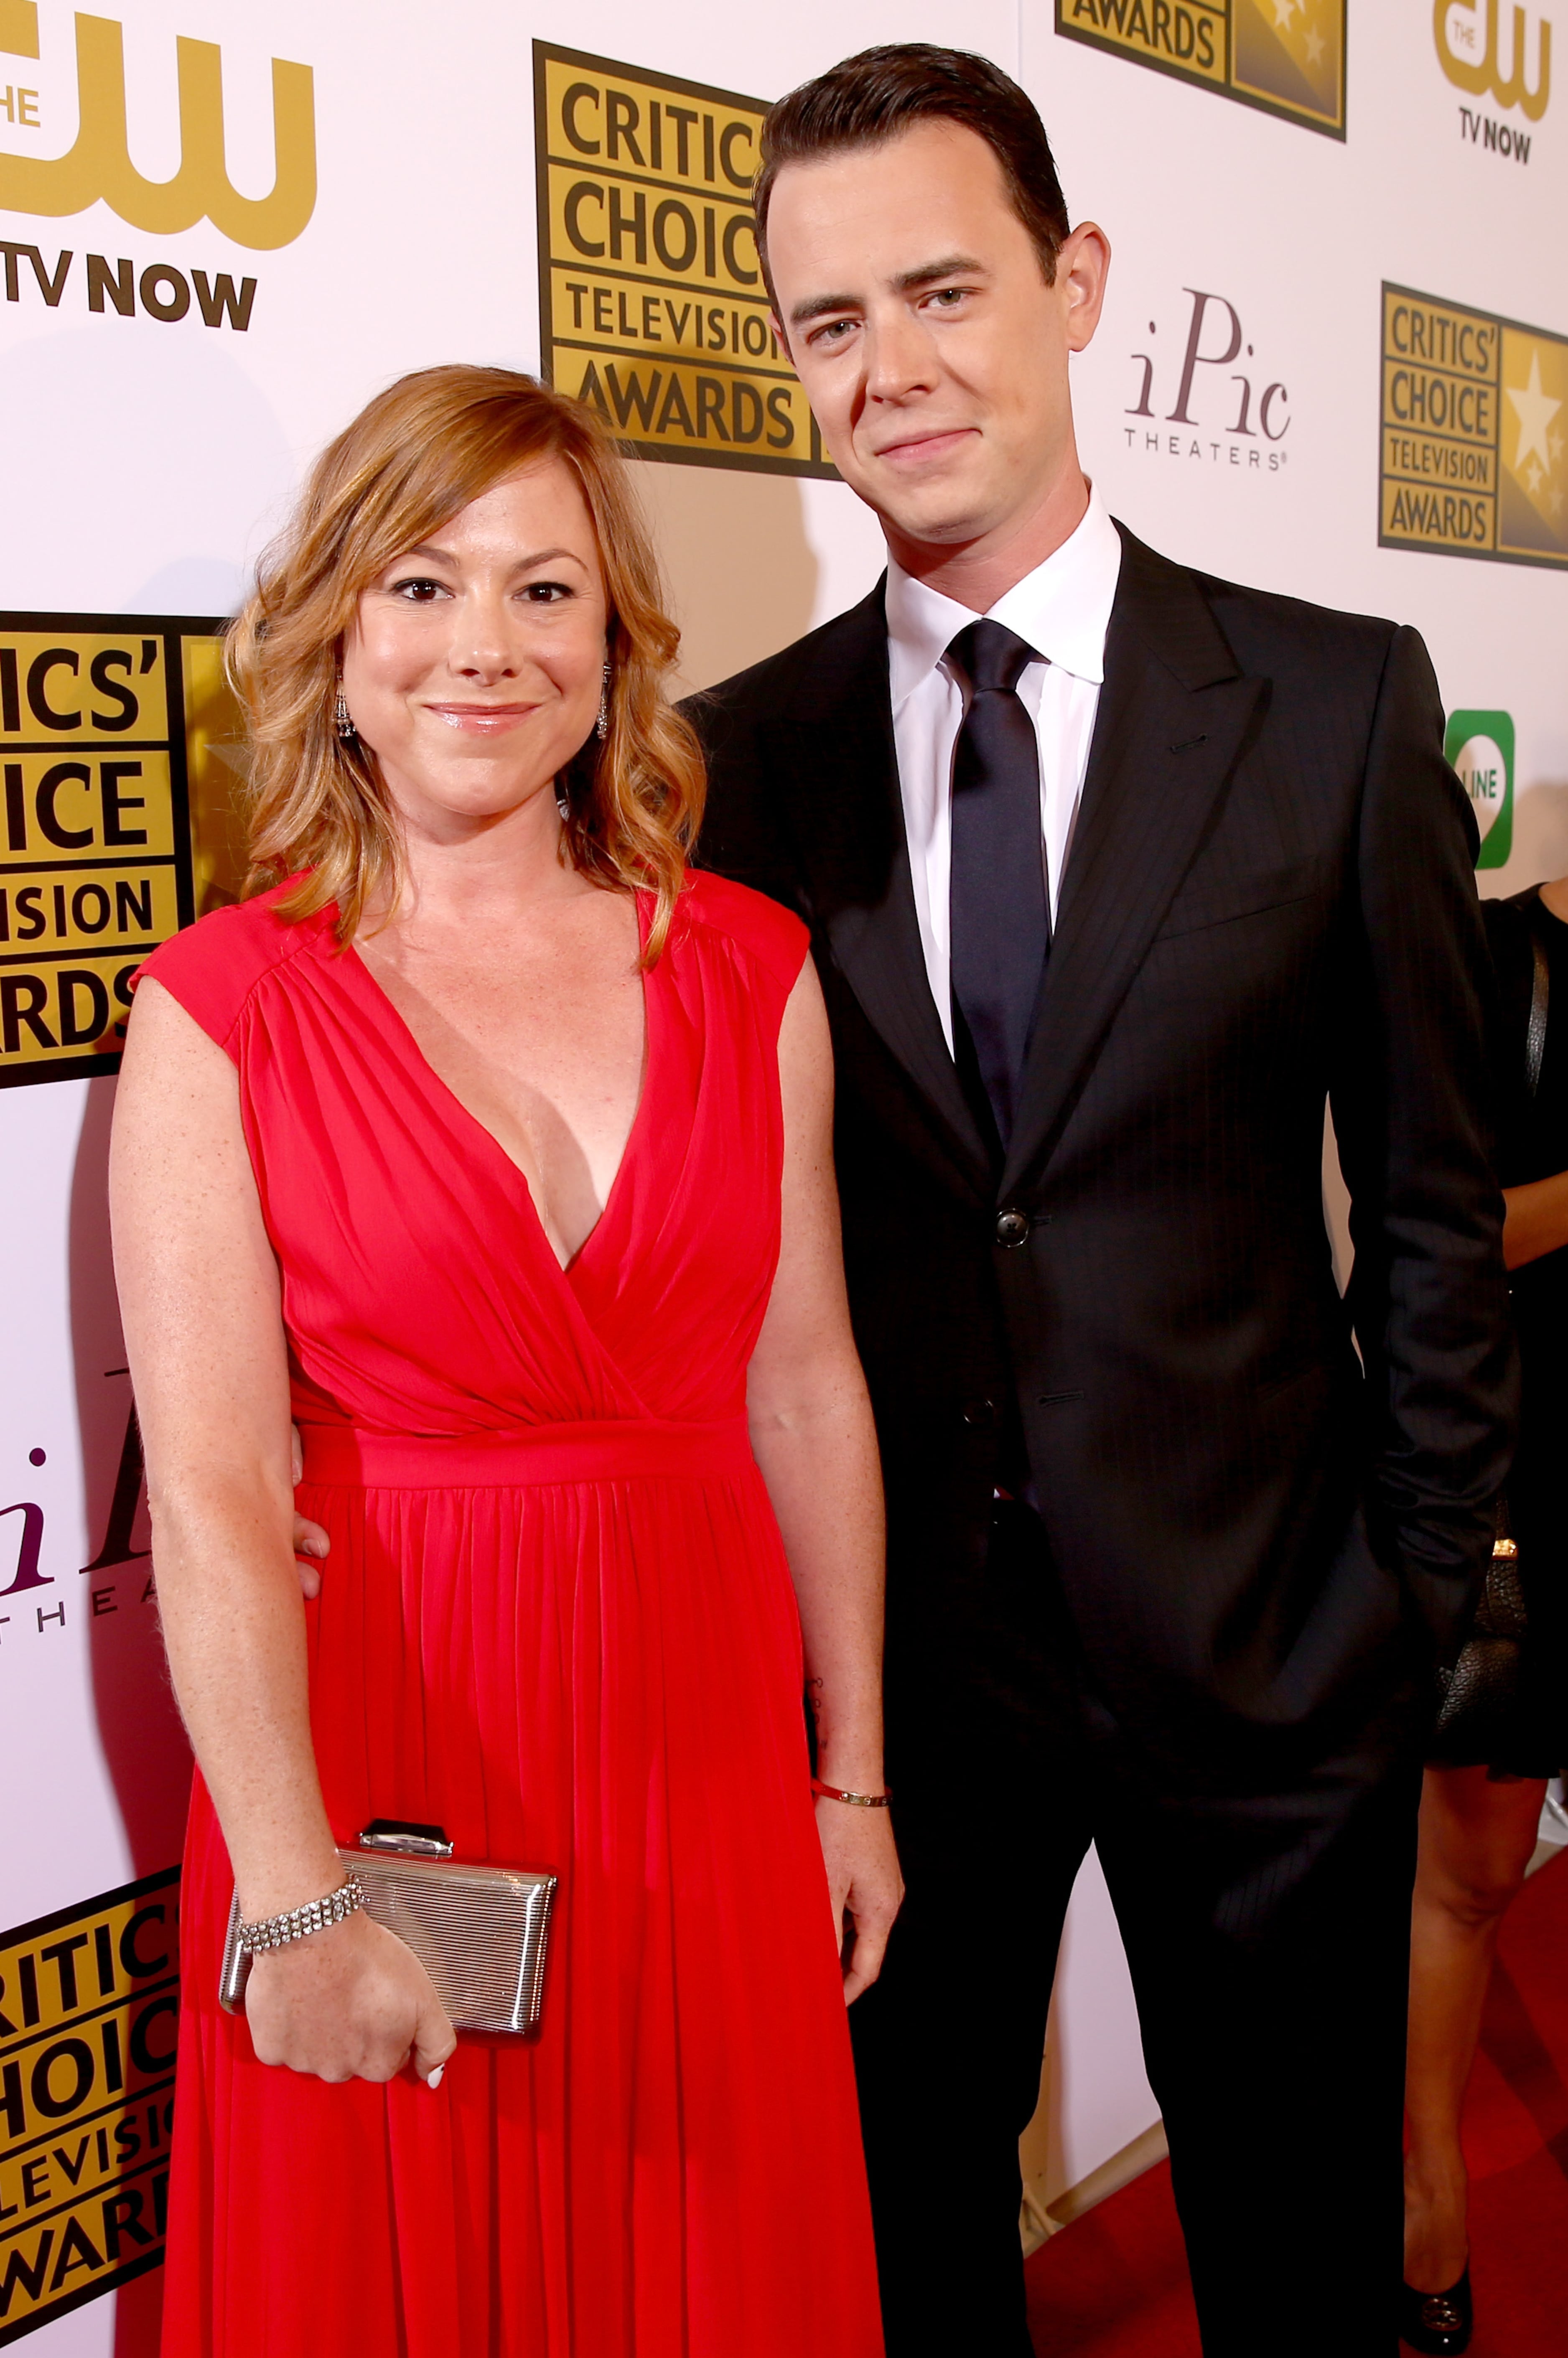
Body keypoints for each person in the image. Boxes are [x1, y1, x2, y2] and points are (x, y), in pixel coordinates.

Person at [689, 43, 1517, 2358]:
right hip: (896, 1698)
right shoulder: (732, 767)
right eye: (831, 320)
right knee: (906, 2251)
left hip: (1272, 1662)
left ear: (1077, 287)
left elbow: (1436, 1202)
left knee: (1292, 2259)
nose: (893, 368)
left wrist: (1412, 1592)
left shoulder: (1337, 707)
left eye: (944, 290)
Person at [108, 364, 899, 2358]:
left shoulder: (751, 963)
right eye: (424, 585)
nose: (487, 647)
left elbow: (806, 1385)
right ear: (337, 637)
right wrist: (287, 1900)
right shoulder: (224, 1008)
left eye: (548, 592)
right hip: (384, 1751)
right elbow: (205, 1491)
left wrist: (854, 1771)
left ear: (617, 643)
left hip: (703, 1760)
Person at [1401, 864, 1568, 2355]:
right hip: (1527, 1483)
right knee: (1467, 1877)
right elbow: (1441, 1239)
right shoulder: (1497, 956)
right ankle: (1427, 2213)